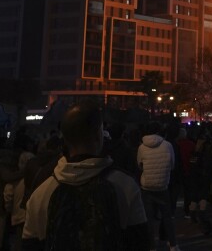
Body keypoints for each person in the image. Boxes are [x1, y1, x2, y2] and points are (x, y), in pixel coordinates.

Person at [21, 101, 149, 251]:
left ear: (65, 139)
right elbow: (140, 242)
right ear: (98, 135)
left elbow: (30, 245)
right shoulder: (125, 186)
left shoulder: (40, 195)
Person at [136, 122, 178, 251]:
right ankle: (173, 245)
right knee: (167, 217)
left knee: (149, 219)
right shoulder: (167, 145)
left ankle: (151, 247)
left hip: (147, 186)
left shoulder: (142, 147)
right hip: (163, 185)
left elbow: (139, 165)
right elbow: (172, 165)